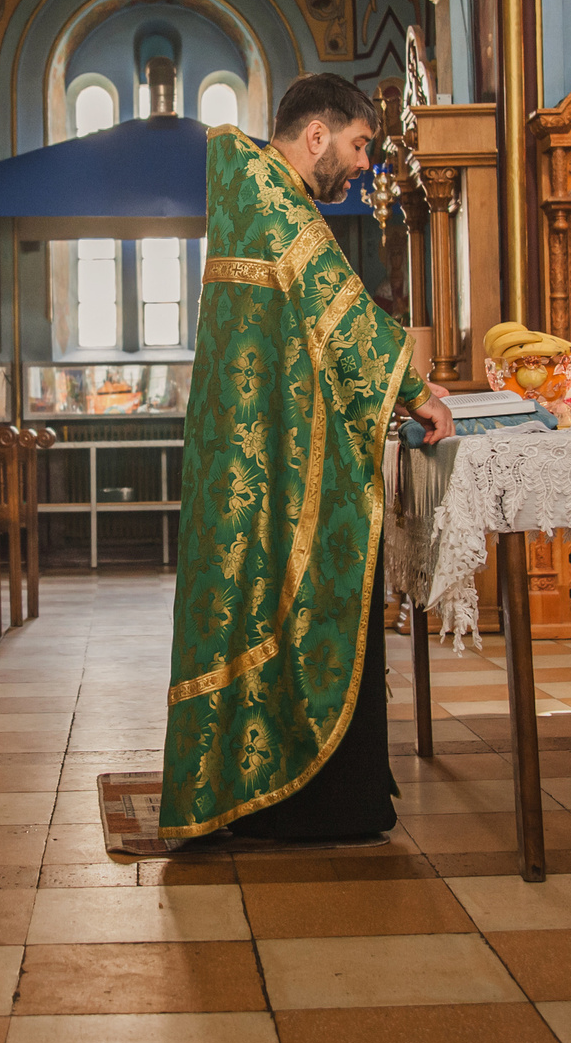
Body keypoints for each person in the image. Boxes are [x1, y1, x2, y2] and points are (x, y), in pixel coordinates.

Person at [160, 75, 454, 844]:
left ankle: (263, 791)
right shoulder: (272, 195)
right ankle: (292, 801)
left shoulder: (252, 192)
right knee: (269, 596)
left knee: (252, 600)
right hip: (267, 457)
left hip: (261, 444)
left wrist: (397, 382)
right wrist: (414, 388)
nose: (362, 167)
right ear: (316, 135)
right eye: (359, 146)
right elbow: (339, 306)